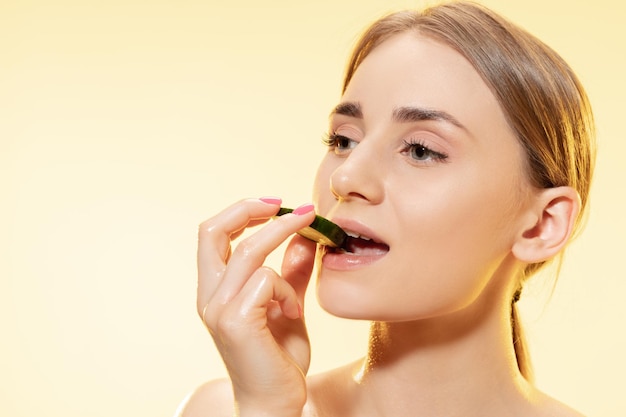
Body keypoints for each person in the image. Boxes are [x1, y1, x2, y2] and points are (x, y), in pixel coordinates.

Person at [177, 2, 595, 416]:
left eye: (420, 150)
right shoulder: (226, 409)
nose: (344, 179)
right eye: (344, 141)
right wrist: (266, 408)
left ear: (542, 225)